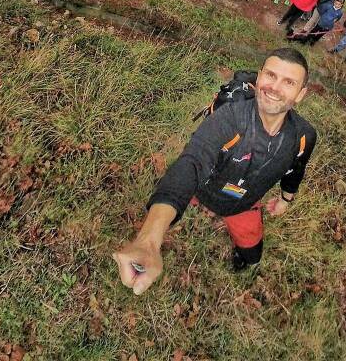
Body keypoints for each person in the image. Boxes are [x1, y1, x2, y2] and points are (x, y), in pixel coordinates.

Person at [112, 49, 318, 292]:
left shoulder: (303, 136)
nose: (274, 87)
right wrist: (148, 242)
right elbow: (192, 164)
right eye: (270, 75)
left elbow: (296, 170)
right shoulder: (228, 118)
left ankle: (243, 258)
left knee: (252, 254)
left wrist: (285, 199)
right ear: (259, 76)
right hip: (200, 188)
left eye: (289, 82)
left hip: (243, 205)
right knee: (173, 202)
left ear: (301, 93)